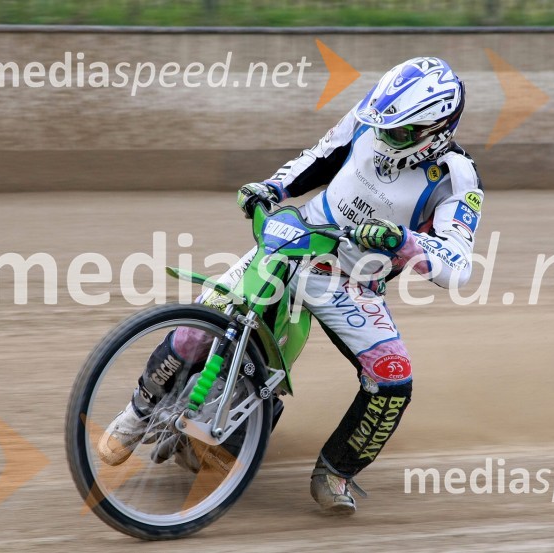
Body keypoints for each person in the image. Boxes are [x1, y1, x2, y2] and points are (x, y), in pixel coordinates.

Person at [98, 56, 484, 514]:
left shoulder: (458, 179)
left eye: (397, 132)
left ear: (435, 133)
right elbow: (320, 156)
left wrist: (403, 241)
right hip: (295, 239)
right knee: (200, 324)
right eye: (380, 125)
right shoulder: (371, 117)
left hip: (351, 282)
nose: (382, 137)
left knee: (393, 376)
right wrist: (272, 188)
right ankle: (136, 415)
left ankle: (336, 472)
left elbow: (457, 265)